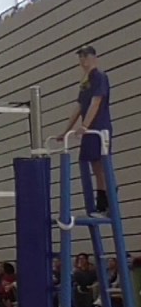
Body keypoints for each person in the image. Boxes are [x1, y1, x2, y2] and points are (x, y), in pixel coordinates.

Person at [58, 46, 113, 214]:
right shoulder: (85, 81)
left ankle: (109, 199)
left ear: (94, 57)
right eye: (81, 57)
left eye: (85, 56)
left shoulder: (99, 77)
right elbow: (80, 106)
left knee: (102, 164)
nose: (83, 60)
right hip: (89, 129)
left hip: (99, 127)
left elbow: (96, 102)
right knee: (94, 165)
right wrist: (65, 131)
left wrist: (85, 125)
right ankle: (102, 202)